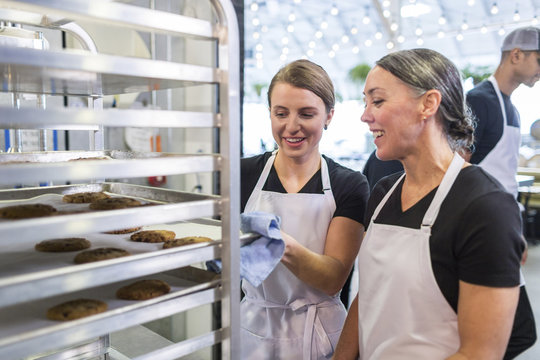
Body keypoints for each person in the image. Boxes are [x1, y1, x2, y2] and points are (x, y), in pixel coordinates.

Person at [333, 48, 526, 359]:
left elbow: (480, 353)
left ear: (428, 104)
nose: (365, 115)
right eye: (365, 102)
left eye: (378, 101)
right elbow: (368, 298)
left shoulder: (486, 208)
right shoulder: (383, 193)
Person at [240, 59, 369, 359]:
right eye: (280, 113)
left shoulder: (349, 185)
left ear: (329, 116)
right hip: (252, 330)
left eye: (306, 114)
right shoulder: (243, 174)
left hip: (319, 334)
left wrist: (276, 242)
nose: (291, 126)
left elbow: (333, 278)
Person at [466, 26, 540, 198]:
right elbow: (458, 162)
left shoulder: (513, 110)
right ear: (516, 55)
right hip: (479, 208)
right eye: (539, 60)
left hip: (505, 206)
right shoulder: (478, 100)